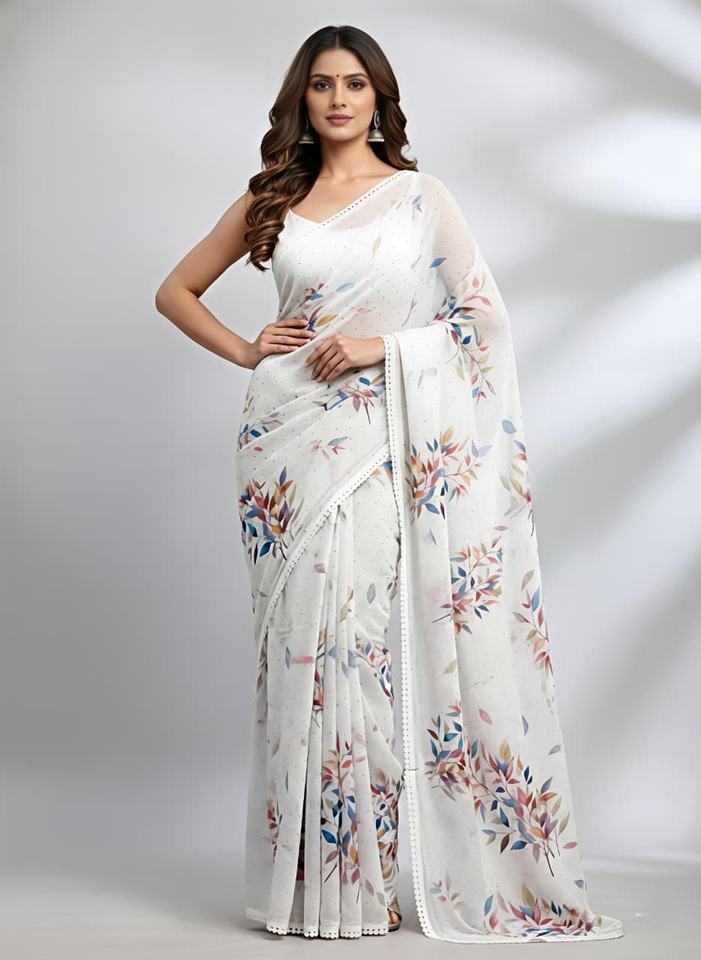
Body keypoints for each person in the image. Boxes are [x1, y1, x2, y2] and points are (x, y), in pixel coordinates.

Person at [155, 23, 624, 945]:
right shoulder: (272, 198)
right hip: (282, 451)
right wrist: (248, 350)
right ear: (301, 98)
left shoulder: (418, 198)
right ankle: (307, 888)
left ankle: (362, 886)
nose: (338, 99)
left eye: (354, 84)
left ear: (379, 97)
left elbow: (483, 324)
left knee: (358, 652)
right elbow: (175, 290)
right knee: (297, 658)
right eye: (322, 84)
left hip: (372, 440)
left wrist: (383, 347)